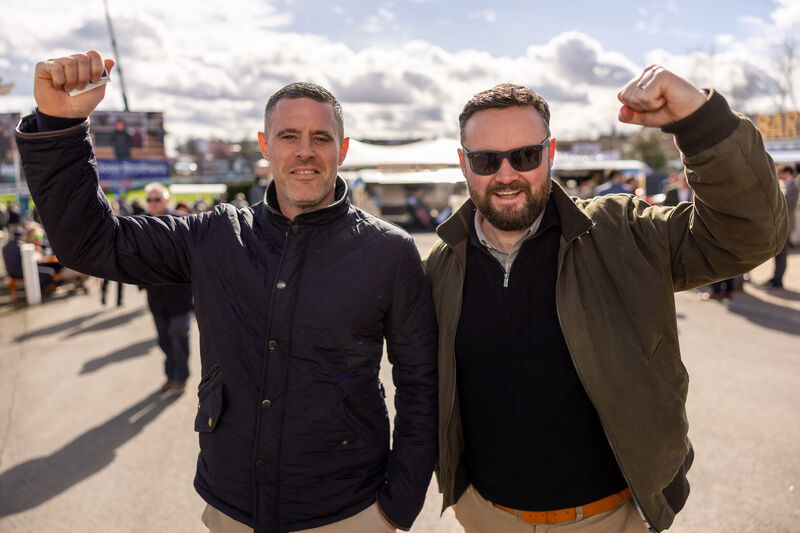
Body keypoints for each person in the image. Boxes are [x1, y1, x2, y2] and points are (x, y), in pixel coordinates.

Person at [16, 50, 436, 533]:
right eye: (288, 136)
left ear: (342, 151)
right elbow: (92, 244)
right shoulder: (215, 235)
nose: (305, 151)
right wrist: (61, 126)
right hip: (232, 507)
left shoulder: (390, 251)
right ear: (264, 146)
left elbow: (420, 384)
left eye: (321, 138)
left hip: (349, 510)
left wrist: (397, 507)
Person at [425, 66, 787, 533]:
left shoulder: (622, 232)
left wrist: (702, 123)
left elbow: (747, 235)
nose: (507, 174)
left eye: (526, 155)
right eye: (486, 161)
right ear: (463, 163)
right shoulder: (441, 266)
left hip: (608, 518)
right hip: (485, 515)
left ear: (550, 154)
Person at [141, 182, 194, 394]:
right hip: (156, 295)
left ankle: (181, 377)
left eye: (157, 199)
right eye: (150, 200)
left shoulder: (181, 222)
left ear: (166, 200)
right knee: (164, 339)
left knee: (179, 335)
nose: (153, 203)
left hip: (180, 294)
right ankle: (171, 375)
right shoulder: (141, 225)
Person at [762, 164, 798, 289]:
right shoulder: (785, 185)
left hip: (786, 225)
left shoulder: (793, 187)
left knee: (782, 254)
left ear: (787, 173)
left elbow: (789, 205)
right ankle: (776, 277)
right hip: (781, 224)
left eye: (781, 173)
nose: (779, 175)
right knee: (778, 254)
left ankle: (778, 280)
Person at [2, 227, 56, 294]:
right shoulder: (21, 246)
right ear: (21, 236)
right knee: (49, 272)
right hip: (23, 272)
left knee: (45, 271)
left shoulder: (5, 247)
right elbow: (34, 258)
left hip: (11, 273)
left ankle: (42, 291)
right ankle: (42, 291)